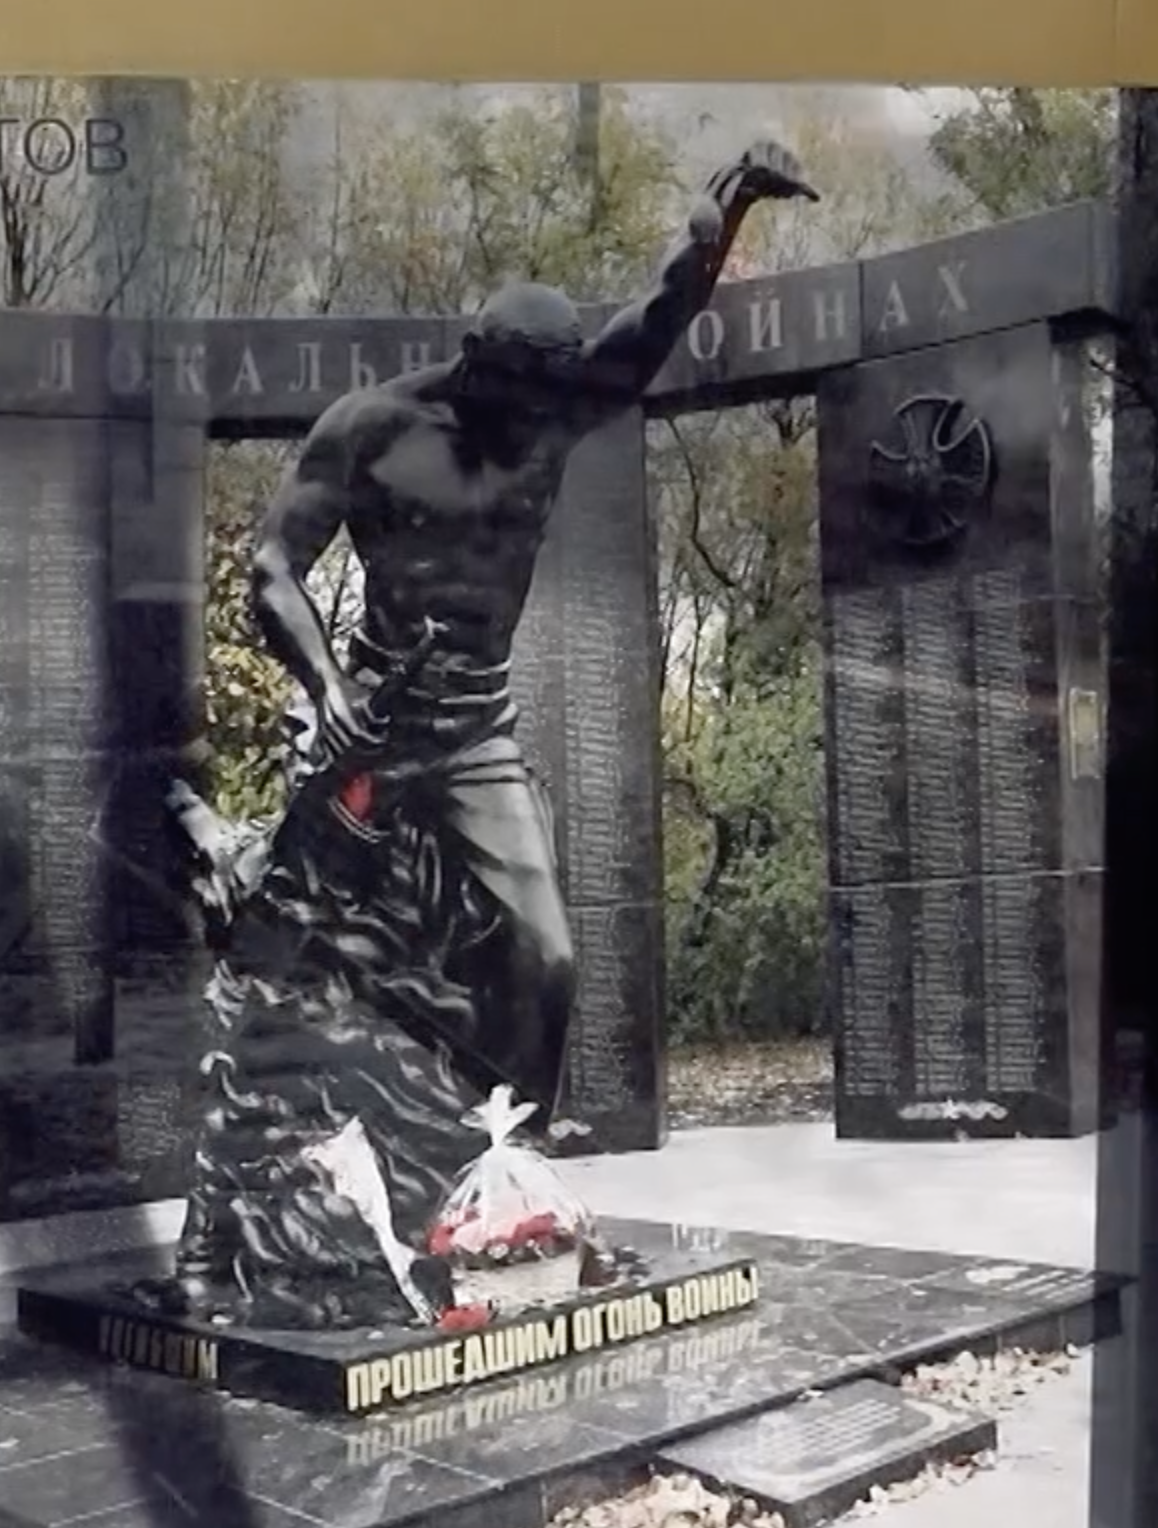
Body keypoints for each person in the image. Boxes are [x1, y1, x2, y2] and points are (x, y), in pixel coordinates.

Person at [236, 139, 814, 1127]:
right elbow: (271, 568)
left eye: (553, 397)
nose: (538, 417)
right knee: (298, 941)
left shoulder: (555, 410)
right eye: (521, 398)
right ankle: (292, 1133)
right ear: (477, 365)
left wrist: (727, 209)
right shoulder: (372, 427)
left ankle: (504, 1154)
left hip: (474, 733)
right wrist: (327, 689)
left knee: (546, 960)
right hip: (371, 720)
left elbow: (662, 310)